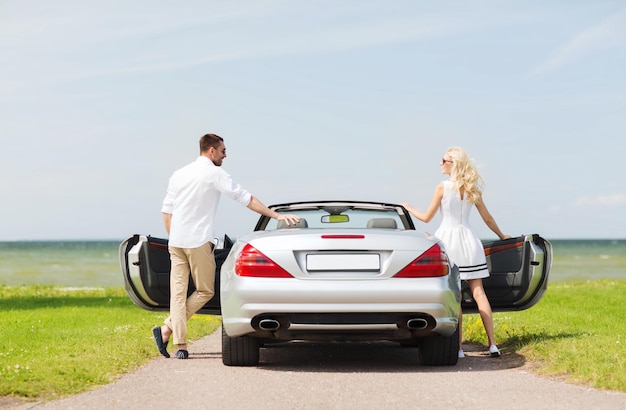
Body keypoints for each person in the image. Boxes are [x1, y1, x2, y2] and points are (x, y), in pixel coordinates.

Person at [152, 133, 300, 359]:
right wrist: (275, 215)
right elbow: (246, 198)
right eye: (223, 151)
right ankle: (167, 329)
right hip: (198, 241)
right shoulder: (214, 173)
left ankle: (178, 343)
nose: (225, 154)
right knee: (204, 291)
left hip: (177, 242)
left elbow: (166, 211)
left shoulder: (178, 174)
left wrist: (174, 236)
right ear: (211, 151)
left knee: (178, 296)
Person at [402, 146, 510, 359]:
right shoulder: (471, 188)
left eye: (443, 160)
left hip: (449, 242)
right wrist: (502, 236)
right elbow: (487, 218)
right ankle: (493, 345)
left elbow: (426, 218)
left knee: (456, 296)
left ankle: (458, 348)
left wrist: (408, 207)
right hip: (469, 241)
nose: (440, 163)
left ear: (453, 164)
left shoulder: (442, 187)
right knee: (480, 294)